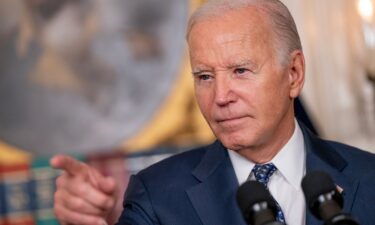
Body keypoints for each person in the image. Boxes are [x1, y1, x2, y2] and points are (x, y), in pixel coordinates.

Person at [50, 0, 375, 225]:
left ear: (293, 73)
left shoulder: (369, 178)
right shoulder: (157, 194)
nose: (220, 97)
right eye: (204, 76)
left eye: (241, 71)